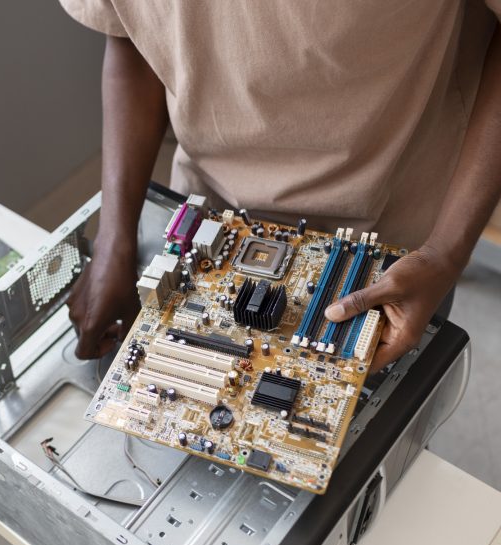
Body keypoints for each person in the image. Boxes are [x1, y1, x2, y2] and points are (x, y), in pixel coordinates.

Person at [60, 1, 501, 371]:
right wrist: (115, 241)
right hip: (205, 221)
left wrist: (445, 253)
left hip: (389, 253)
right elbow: (131, 32)